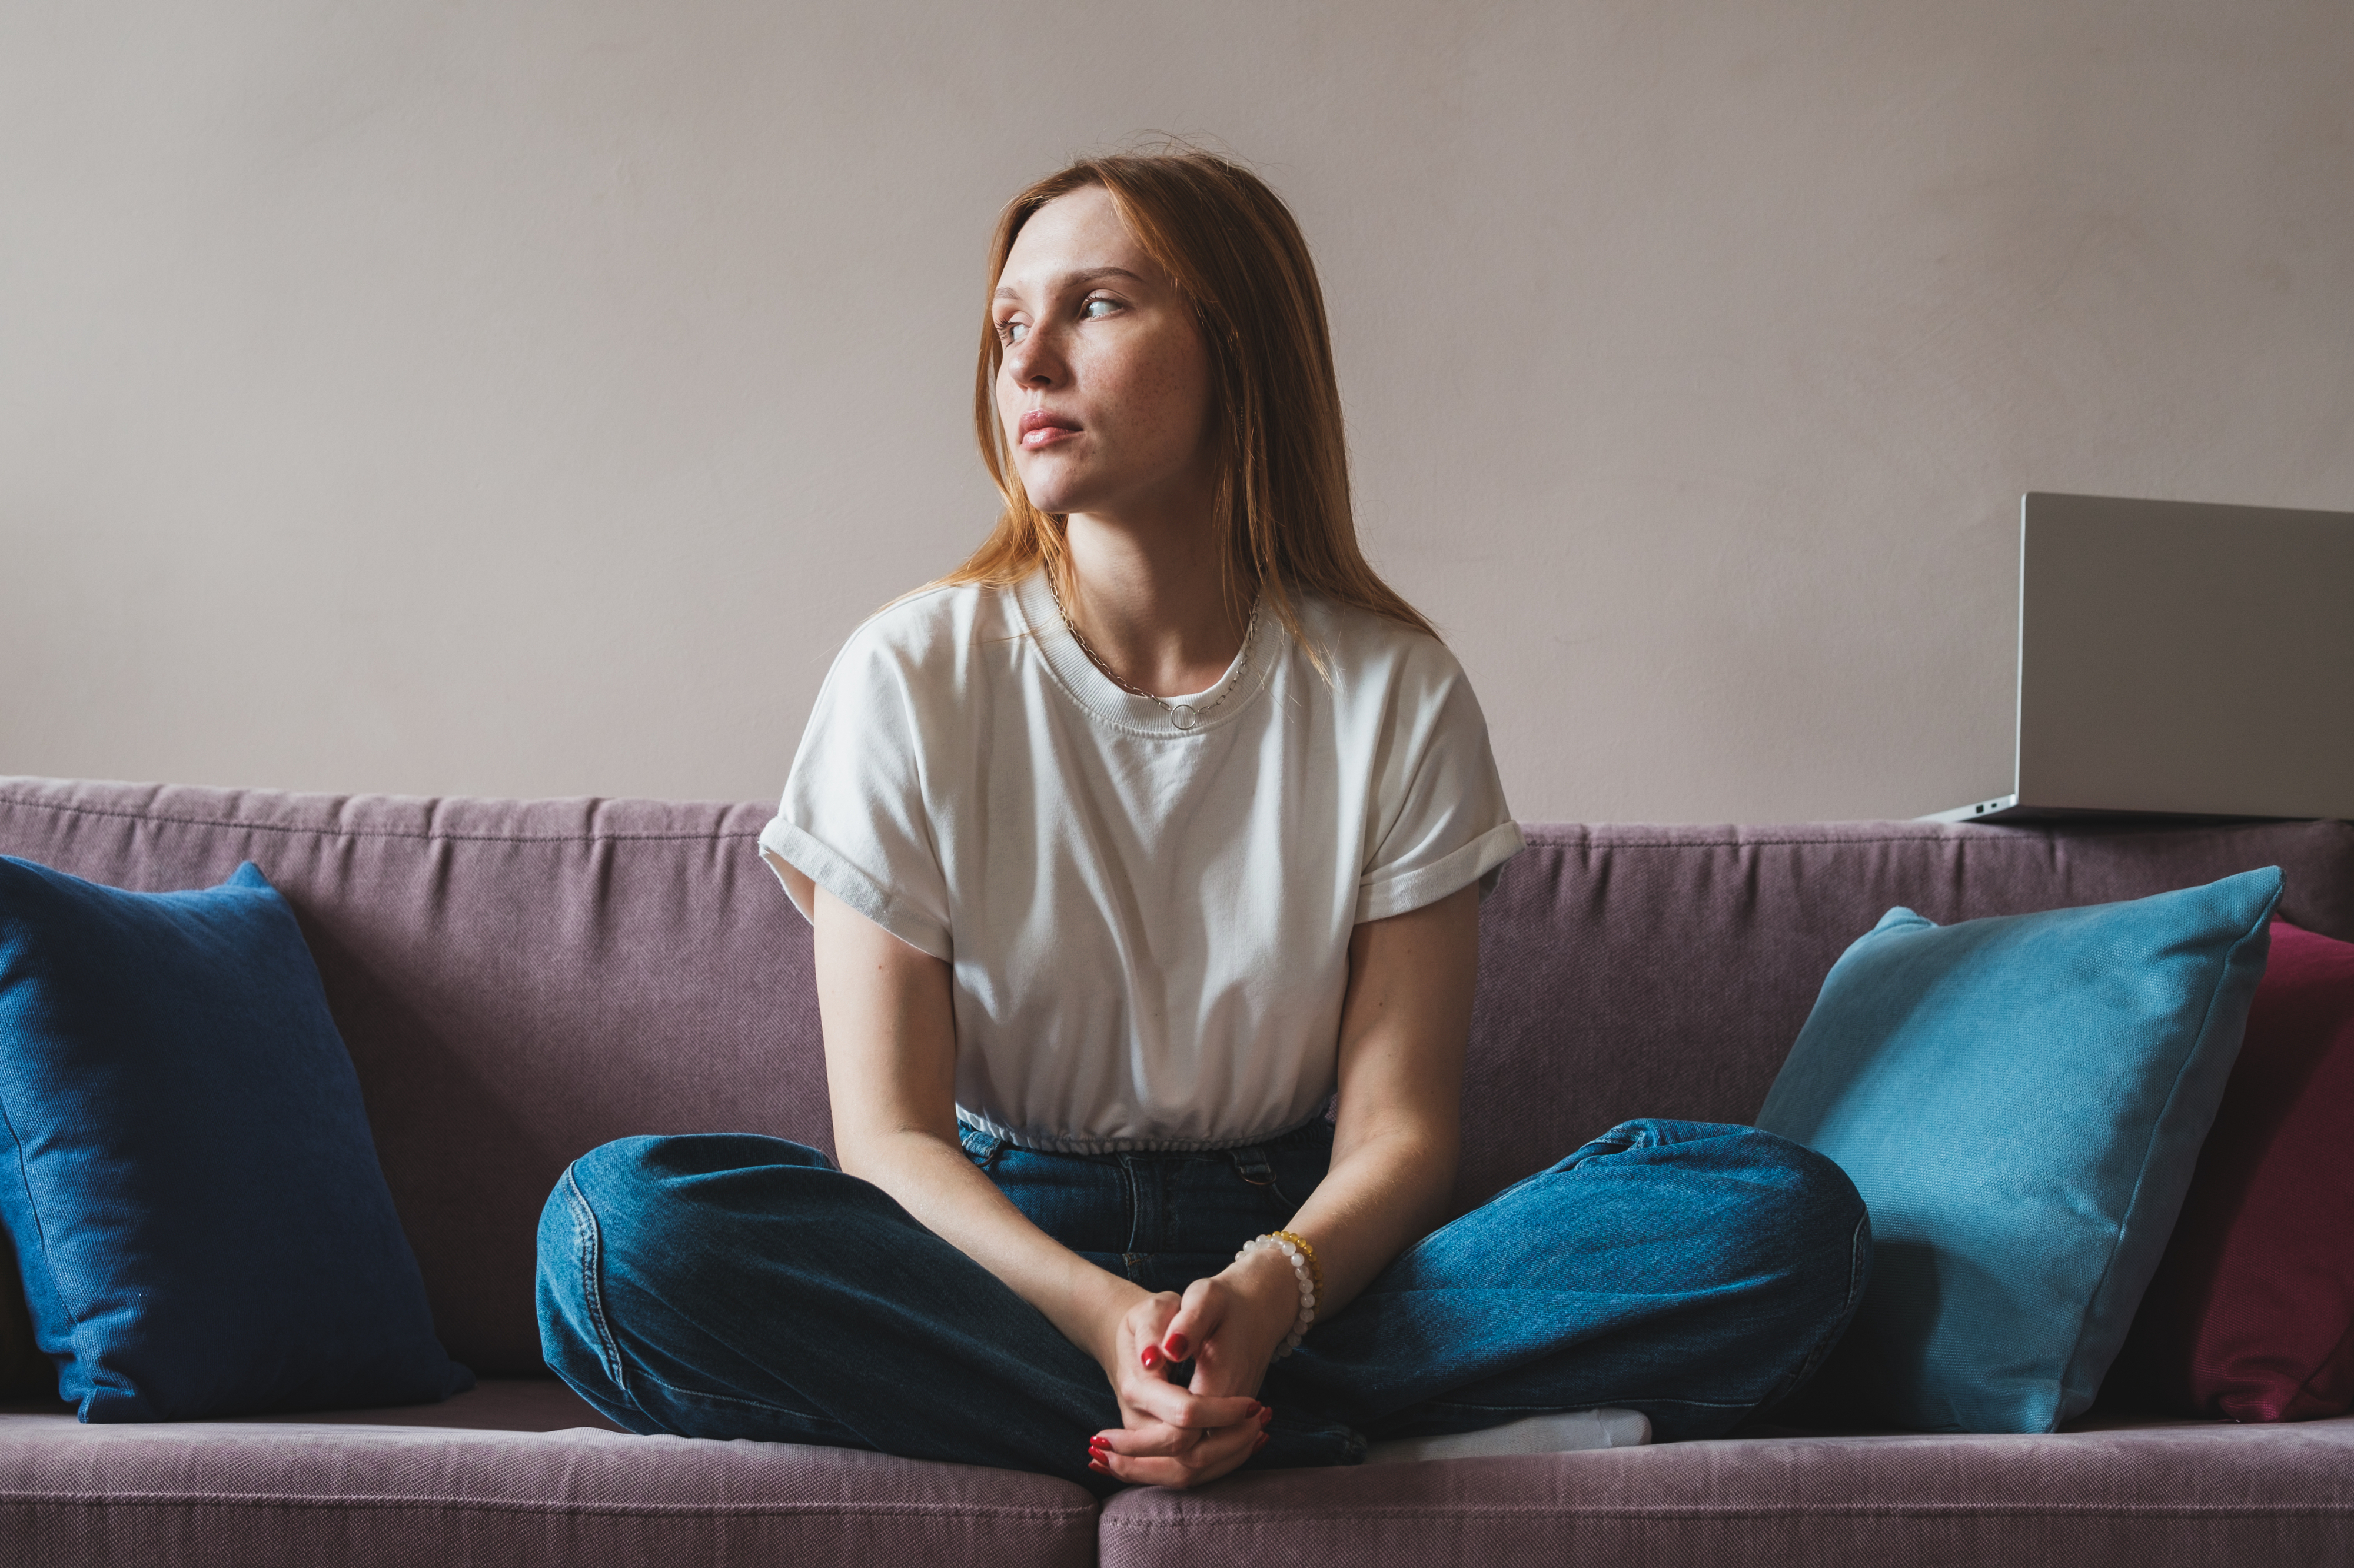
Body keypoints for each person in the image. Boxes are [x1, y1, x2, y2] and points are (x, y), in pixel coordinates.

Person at [536, 148, 1867, 1496]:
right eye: (1008, 324)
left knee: (1780, 1223)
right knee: (617, 1232)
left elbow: (1399, 1135)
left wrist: (1270, 1291)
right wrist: (1111, 1320)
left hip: (1295, 1254)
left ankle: (1176, 1413)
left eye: (1095, 305)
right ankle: (1293, 1433)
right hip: (995, 1252)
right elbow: (891, 1142)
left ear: (1237, 346)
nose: (1029, 363)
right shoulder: (909, 674)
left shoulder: (1390, 691)